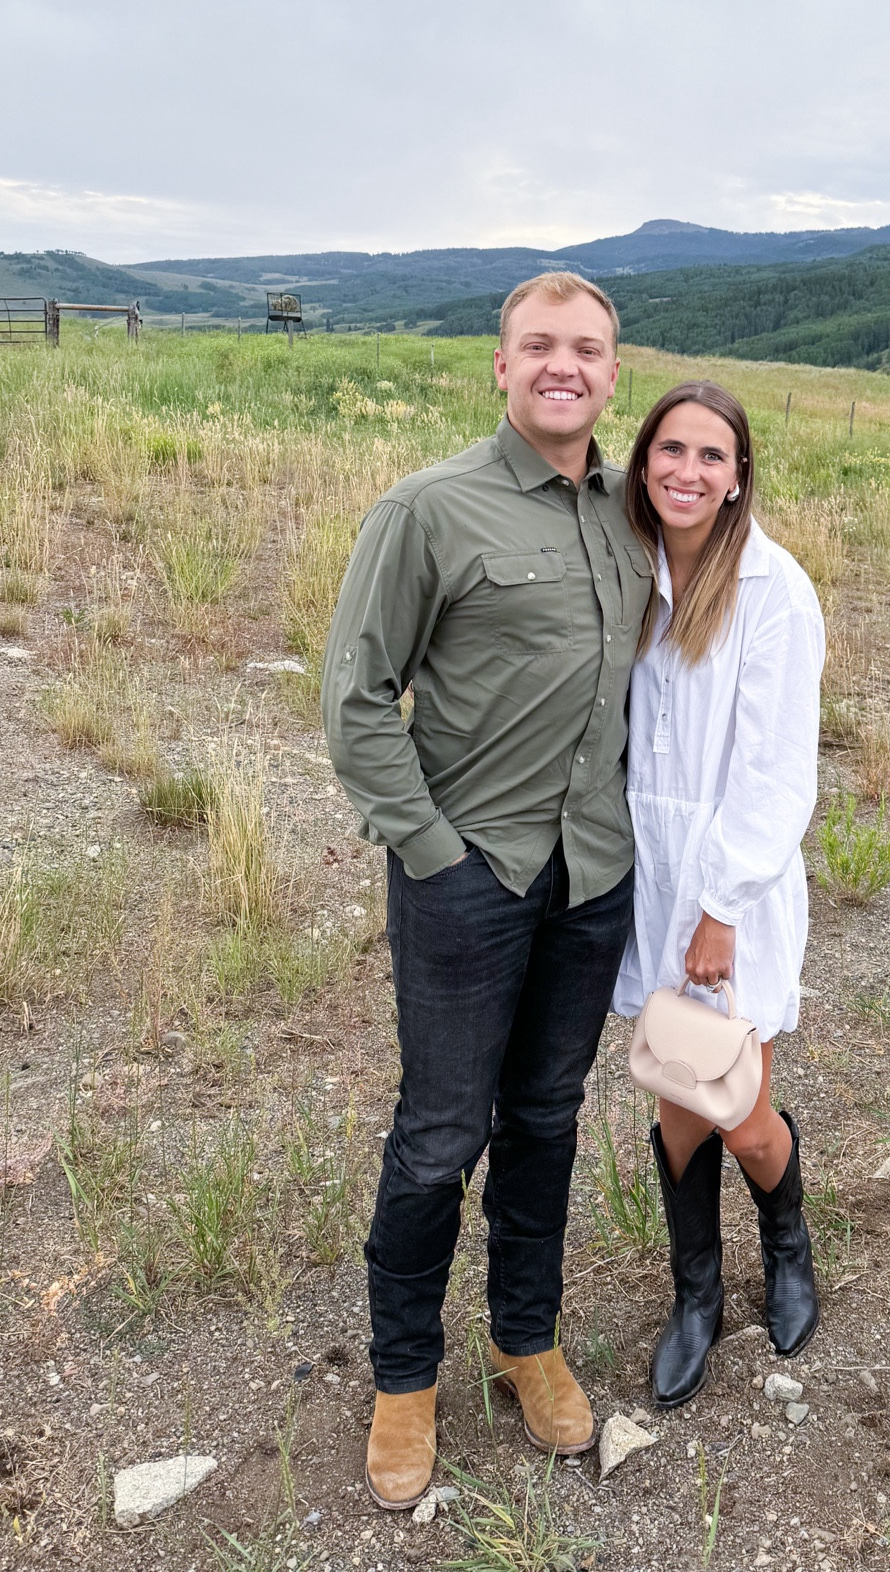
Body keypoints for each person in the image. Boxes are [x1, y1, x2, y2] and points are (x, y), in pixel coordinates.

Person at [322, 272, 653, 1510]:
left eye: (588, 348)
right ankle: (406, 1377)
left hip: (594, 873)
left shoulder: (632, 514)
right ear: (500, 366)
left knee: (551, 1115)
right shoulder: (428, 509)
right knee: (441, 1133)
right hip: (469, 874)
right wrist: (426, 847)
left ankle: (527, 1339)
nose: (564, 364)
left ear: (613, 372)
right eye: (539, 345)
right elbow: (357, 696)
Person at [612, 380, 826, 1407]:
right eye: (670, 450)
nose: (687, 471)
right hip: (647, 867)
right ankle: (696, 1293)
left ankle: (787, 1244)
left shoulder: (772, 586)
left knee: (739, 1106)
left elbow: (778, 767)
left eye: (710, 454)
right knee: (679, 1105)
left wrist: (723, 902)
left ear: (739, 473)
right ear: (643, 460)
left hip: (729, 878)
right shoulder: (627, 570)